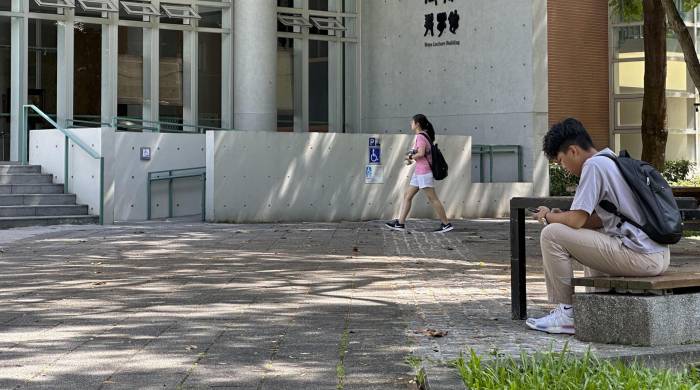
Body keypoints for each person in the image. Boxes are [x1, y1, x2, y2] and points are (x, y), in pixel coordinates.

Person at [526, 118, 670, 335]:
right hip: (655, 254)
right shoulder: (610, 160)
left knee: (551, 234)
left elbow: (576, 220)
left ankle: (567, 313)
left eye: (561, 161)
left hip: (641, 256)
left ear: (573, 151)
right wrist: (561, 216)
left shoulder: (593, 166)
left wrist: (548, 216)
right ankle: (595, 307)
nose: (564, 168)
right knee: (592, 231)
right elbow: (598, 220)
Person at [385, 114, 453, 233]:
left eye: (412, 122)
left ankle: (446, 224)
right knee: (407, 196)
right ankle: (400, 223)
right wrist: (412, 156)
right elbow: (422, 152)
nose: (410, 124)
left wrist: (410, 156)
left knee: (433, 199)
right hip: (419, 172)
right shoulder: (425, 135)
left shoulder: (420, 136)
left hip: (424, 172)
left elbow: (421, 153)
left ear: (417, 124)